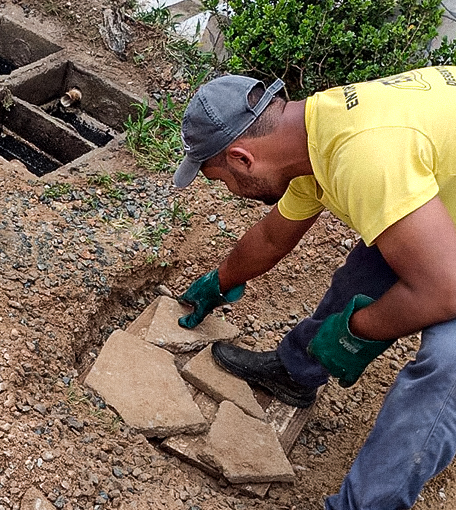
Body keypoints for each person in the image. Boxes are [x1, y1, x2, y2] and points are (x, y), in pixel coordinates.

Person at [172, 66, 456, 509]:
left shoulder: (366, 154)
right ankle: (295, 372)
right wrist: (219, 281)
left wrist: (357, 331)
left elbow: (445, 291)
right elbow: (272, 237)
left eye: (219, 178)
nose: (229, 190)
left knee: (446, 365)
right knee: (373, 263)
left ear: (243, 158)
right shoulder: (313, 135)